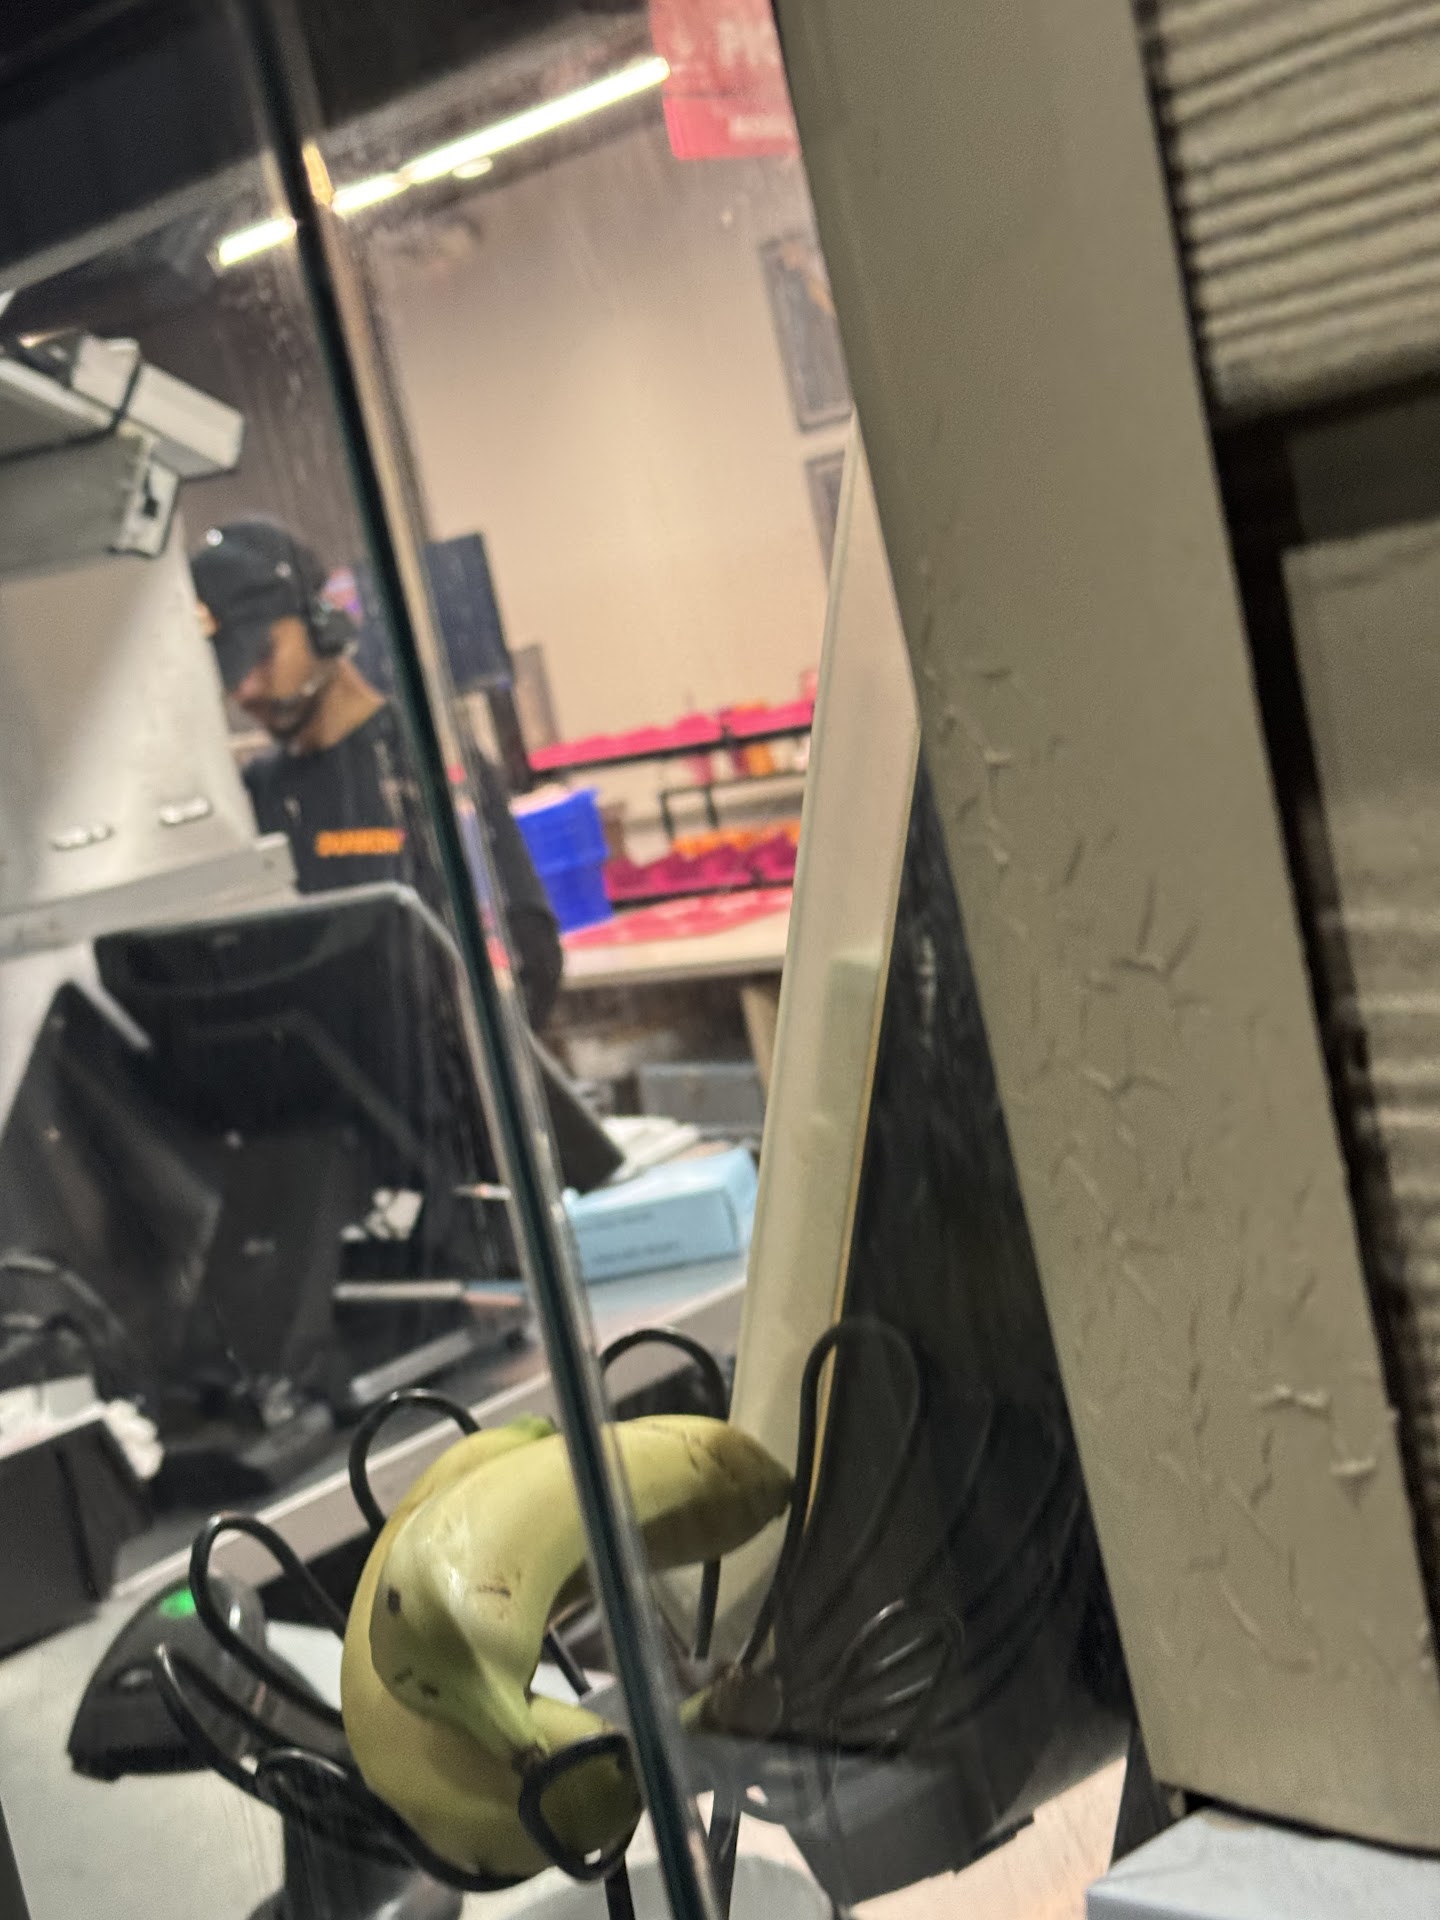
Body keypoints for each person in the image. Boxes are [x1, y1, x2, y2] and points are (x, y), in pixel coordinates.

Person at [191, 516, 563, 1027]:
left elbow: (529, 957)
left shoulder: (427, 766)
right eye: (230, 671)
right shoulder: (257, 794)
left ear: (322, 626)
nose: (246, 690)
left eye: (262, 654)